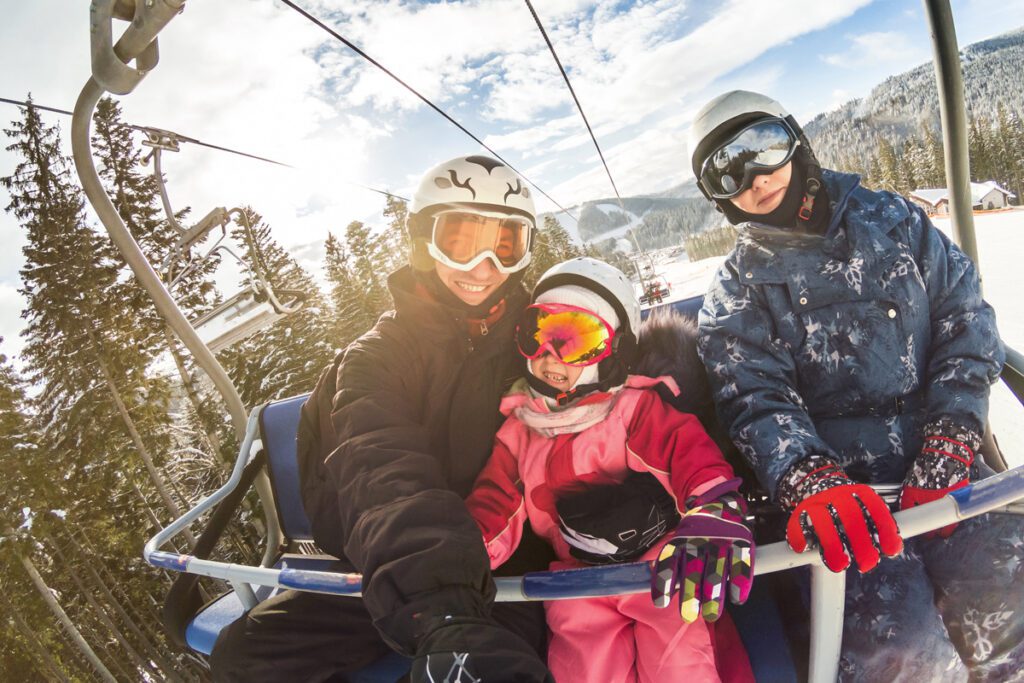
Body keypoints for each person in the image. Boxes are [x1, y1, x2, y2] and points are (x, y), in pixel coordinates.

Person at [692, 90, 1021, 681]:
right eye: (726, 174)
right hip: (845, 507)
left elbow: (966, 321)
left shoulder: (896, 223)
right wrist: (809, 479)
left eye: (762, 148)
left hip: (944, 469)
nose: (754, 178)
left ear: (796, 141)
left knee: (1007, 603)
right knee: (904, 654)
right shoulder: (736, 293)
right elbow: (755, 402)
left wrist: (953, 433)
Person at [210, 154, 557, 682]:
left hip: (503, 566)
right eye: (461, 240)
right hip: (392, 564)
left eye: (505, 244)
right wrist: (443, 611)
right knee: (247, 656)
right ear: (423, 241)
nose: (483, 266)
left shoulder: (536, 343)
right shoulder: (375, 358)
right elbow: (380, 468)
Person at [466, 257, 756, 683]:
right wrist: (461, 556)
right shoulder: (519, 433)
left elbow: (687, 454)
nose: (551, 356)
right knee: (583, 669)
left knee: (681, 660)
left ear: (614, 352)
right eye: (538, 334)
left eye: (575, 339)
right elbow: (497, 504)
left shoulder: (632, 411)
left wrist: (713, 507)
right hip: (579, 584)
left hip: (659, 569)